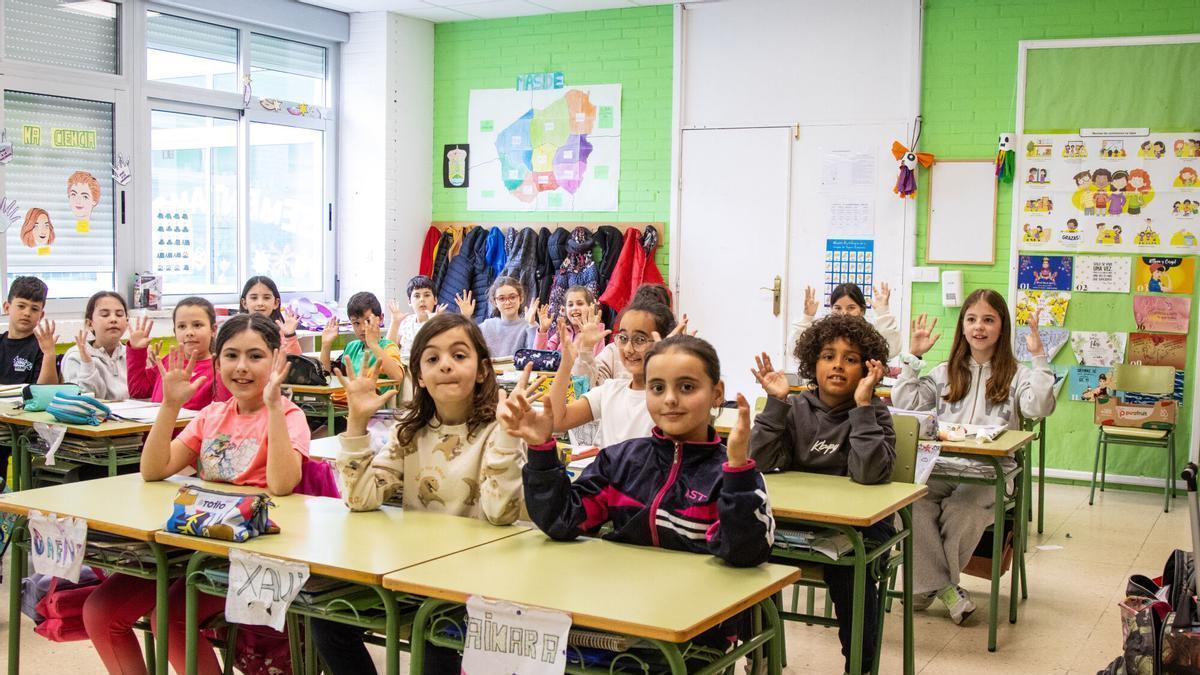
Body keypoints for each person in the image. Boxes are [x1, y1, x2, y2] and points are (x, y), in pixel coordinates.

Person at [513, 335, 774, 663]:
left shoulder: (732, 475)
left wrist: (737, 470)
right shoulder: (620, 461)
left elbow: (745, 552)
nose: (670, 400)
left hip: (694, 635)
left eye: (687, 387)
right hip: (616, 615)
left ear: (716, 393)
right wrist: (541, 450)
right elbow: (563, 519)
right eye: (658, 388)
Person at [83, 314, 310, 675]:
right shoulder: (212, 414)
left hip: (248, 555)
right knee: (100, 611)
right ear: (218, 361)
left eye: (255, 356)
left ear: (276, 359)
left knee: (170, 619)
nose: (242, 367)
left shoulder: (289, 415)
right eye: (231, 356)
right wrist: (170, 406)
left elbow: (282, 485)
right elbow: (154, 469)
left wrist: (272, 407)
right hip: (193, 543)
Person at [312, 312, 528, 674]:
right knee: (326, 617)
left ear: (482, 371)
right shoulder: (409, 432)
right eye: (432, 358)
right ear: (420, 377)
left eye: (459, 356)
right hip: (414, 576)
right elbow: (361, 498)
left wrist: (508, 435)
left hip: (474, 583)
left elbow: (500, 513)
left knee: (434, 643)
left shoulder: (499, 429)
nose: (445, 365)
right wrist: (356, 423)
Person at [892, 289, 1055, 624]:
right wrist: (911, 357)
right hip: (942, 466)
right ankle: (947, 588)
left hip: (990, 473)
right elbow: (906, 405)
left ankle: (926, 586)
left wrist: (1039, 358)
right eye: (971, 319)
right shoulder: (942, 372)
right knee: (909, 503)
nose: (979, 327)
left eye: (988, 320)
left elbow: (1040, 407)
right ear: (962, 327)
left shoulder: (1018, 374)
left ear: (1002, 327)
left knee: (962, 509)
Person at [748, 314, 893, 674]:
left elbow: (869, 474)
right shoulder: (795, 408)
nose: (838, 366)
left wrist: (862, 408)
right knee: (743, 552)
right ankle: (759, 657)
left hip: (858, 533)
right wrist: (776, 403)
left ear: (867, 368)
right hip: (797, 523)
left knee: (851, 576)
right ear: (813, 361)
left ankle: (858, 666)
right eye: (828, 356)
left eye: (851, 358)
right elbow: (758, 462)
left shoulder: (875, 413)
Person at [547, 299, 678, 447]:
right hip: (606, 470)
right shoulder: (609, 390)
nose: (628, 349)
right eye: (623, 338)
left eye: (640, 339)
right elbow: (556, 421)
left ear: (663, 342)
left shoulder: (671, 400)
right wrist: (566, 365)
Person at [127, 297, 230, 409]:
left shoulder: (218, 368)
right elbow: (138, 391)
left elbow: (221, 412)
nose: (189, 332)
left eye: (197, 325)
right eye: (181, 326)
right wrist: (136, 351)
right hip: (159, 425)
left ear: (213, 330)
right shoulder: (169, 360)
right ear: (175, 331)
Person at [791, 282, 900, 359]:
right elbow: (796, 352)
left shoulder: (869, 336)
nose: (844, 313)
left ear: (862, 310)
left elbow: (891, 351)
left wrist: (883, 313)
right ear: (831, 309)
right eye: (838, 308)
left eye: (851, 308)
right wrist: (807, 317)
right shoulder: (822, 334)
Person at [319, 291, 404, 384]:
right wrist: (326, 345)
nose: (362, 328)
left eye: (368, 321)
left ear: (380, 318)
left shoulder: (388, 347)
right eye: (356, 323)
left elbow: (398, 377)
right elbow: (326, 378)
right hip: (347, 397)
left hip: (375, 398)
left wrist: (373, 344)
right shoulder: (351, 347)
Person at [61, 291, 129, 400]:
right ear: (89, 323)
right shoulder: (75, 356)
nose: (113, 319)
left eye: (119, 314)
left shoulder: (132, 355)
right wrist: (87, 364)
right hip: (97, 416)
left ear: (127, 322)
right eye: (105, 315)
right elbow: (85, 400)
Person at [453, 276, 536, 357]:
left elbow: (535, 355)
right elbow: (465, 348)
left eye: (512, 297)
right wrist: (466, 317)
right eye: (502, 298)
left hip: (518, 371)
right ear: (495, 302)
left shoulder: (529, 325)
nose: (507, 302)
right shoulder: (486, 326)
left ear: (521, 299)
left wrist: (532, 325)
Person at [533, 285, 606, 355]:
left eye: (580, 304)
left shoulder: (596, 330)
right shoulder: (561, 332)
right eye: (570, 305)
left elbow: (595, 362)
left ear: (591, 307)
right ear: (565, 309)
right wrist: (542, 330)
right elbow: (539, 357)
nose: (574, 308)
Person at [387, 275, 445, 363]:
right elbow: (389, 350)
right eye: (417, 296)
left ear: (435, 300)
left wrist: (435, 324)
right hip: (403, 368)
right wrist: (394, 322)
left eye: (427, 295)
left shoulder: (440, 321)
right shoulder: (406, 322)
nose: (422, 299)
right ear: (409, 301)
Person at [239, 275, 302, 355]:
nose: (260, 303)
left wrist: (290, 336)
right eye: (254, 298)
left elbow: (296, 363)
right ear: (244, 303)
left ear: (276, 303)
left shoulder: (282, 333)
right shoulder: (236, 331)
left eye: (266, 298)